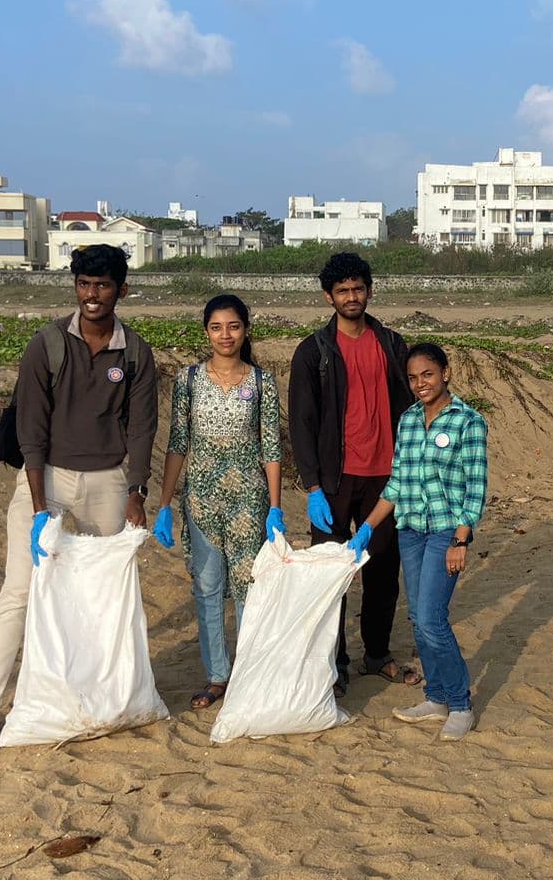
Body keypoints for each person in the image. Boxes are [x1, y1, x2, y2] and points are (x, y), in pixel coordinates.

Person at [0, 244, 158, 763]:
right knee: (20, 592)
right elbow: (32, 427)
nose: (92, 296)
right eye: (84, 284)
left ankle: (89, 701)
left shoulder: (134, 352)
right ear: (75, 286)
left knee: (98, 596)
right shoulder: (47, 343)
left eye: (104, 286)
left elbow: (141, 428)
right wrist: (41, 505)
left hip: (110, 483)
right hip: (46, 480)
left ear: (122, 290)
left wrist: (136, 492)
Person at [288, 251, 417, 693]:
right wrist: (312, 487)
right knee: (331, 574)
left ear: (369, 290)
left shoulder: (392, 345)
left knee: (383, 568)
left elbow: (413, 405)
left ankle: (376, 653)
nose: (351, 297)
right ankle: (335, 662)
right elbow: (301, 423)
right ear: (329, 296)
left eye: (358, 288)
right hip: (334, 480)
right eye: (342, 290)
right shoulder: (313, 352)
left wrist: (411, 466)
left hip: (386, 476)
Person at [347, 344, 488, 741]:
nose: (420, 383)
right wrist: (368, 528)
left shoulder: (468, 421)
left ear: (445, 372)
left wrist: (461, 539)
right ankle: (437, 696)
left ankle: (460, 703)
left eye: (427, 374)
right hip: (410, 530)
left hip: (446, 530)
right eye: (412, 377)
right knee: (417, 618)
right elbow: (396, 484)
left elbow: (475, 489)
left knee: (431, 618)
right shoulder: (408, 421)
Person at [152, 294, 285, 710]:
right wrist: (165, 503)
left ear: (246, 329)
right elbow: (178, 443)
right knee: (208, 587)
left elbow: (271, 447)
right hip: (202, 498)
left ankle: (248, 671)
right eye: (216, 327)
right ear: (206, 331)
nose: (225, 335)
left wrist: (276, 506)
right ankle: (217, 676)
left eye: (233, 326)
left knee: (248, 587)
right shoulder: (188, 380)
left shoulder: (261, 382)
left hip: (249, 496)